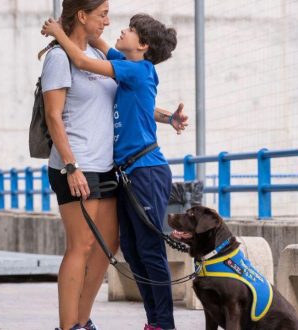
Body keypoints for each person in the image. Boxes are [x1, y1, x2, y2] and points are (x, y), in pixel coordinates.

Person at [38, 2, 186, 330]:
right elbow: (54, 114)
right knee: (107, 246)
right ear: (83, 15)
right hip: (86, 166)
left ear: (143, 45)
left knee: (127, 247)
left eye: (128, 28)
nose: (112, 23)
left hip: (129, 169)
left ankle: (150, 323)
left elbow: (91, 66)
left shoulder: (125, 64)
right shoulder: (84, 58)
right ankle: (72, 325)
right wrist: (71, 165)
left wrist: (57, 31)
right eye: (103, 14)